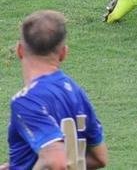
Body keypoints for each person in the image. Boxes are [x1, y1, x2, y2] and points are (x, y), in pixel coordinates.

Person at [5, 10, 107, 170]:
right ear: (63, 53)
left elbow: (57, 163)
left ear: (19, 50)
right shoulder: (76, 92)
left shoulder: (27, 101)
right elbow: (99, 158)